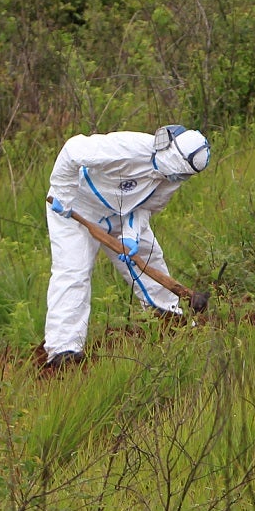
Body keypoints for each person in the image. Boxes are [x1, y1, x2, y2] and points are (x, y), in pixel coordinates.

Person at [42, 124, 212, 368]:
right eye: (176, 174)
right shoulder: (126, 148)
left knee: (151, 257)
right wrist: (64, 195)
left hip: (123, 214)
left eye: (181, 177)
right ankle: (63, 350)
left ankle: (169, 319)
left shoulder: (173, 176)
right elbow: (72, 151)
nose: (175, 180)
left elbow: (147, 207)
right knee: (73, 272)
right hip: (75, 209)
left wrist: (130, 235)